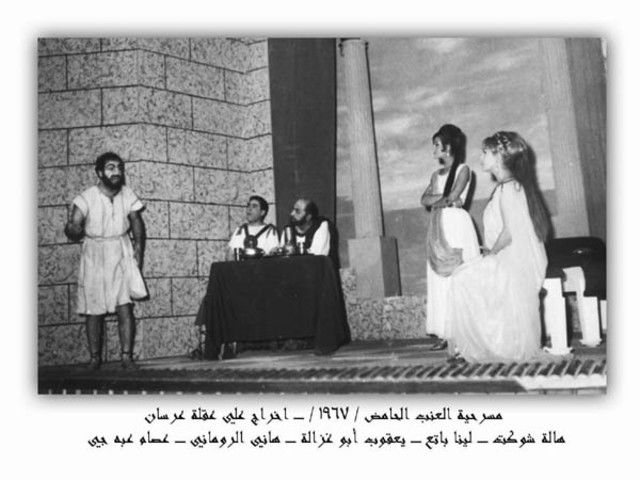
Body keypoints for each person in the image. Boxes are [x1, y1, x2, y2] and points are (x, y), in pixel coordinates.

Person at [447, 131, 551, 363]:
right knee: (466, 274)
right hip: (511, 257)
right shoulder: (509, 187)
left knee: (461, 278)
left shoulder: (509, 189)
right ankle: (486, 343)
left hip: (517, 264)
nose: (481, 157)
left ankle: (477, 346)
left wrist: (491, 254)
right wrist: (491, 252)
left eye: (485, 152)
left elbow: (510, 233)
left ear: (499, 157)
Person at [64, 152, 147, 370]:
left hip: (120, 251)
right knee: (94, 309)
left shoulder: (127, 194)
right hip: (94, 256)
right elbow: (73, 226)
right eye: (111, 168)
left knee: (124, 306)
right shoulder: (86, 197)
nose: (117, 172)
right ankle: (95, 358)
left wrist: (138, 250)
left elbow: (136, 221)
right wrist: (73, 228)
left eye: (119, 167)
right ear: (100, 172)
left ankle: (126, 357)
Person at [420, 124, 480, 350]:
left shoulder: (464, 170)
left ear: (448, 147)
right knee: (439, 278)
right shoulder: (435, 175)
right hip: (438, 226)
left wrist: (440, 198)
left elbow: (452, 196)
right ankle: (445, 333)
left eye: (437, 145)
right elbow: (424, 200)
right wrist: (442, 198)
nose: (434, 149)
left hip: (456, 226)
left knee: (458, 274)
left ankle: (463, 332)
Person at [281, 198, 337, 264]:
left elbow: (317, 257)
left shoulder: (321, 226)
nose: (292, 213)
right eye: (293, 209)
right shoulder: (288, 229)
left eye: (297, 211)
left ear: (308, 217)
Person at [226, 195, 279, 259]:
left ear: (262, 212)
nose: (249, 209)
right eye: (248, 205)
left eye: (254, 206)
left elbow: (273, 255)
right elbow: (230, 255)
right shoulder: (240, 230)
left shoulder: (270, 231)